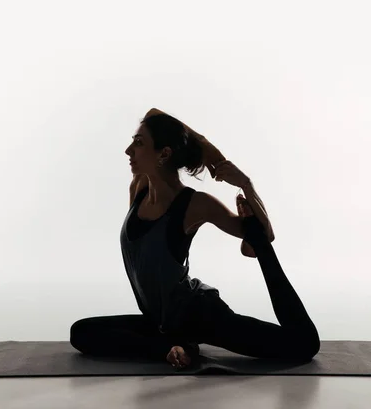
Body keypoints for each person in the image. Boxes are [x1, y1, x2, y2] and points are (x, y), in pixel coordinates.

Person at [70, 109, 320, 369]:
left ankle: (174, 347)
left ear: (164, 154)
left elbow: (262, 239)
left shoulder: (194, 204)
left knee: (303, 345)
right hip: (160, 321)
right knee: (81, 332)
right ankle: (174, 346)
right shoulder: (138, 189)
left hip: (199, 316)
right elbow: (154, 112)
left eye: (139, 142)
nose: (128, 150)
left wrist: (245, 184)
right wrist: (209, 150)